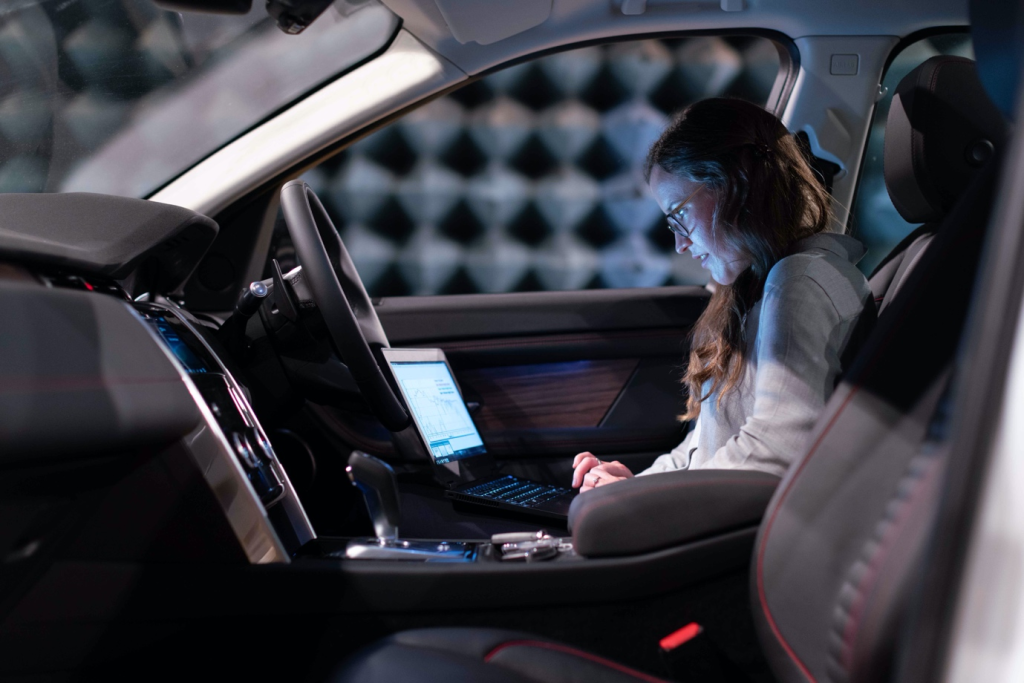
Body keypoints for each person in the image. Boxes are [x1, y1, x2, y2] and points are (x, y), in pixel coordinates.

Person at [572, 98, 872, 493]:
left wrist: (645, 504)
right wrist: (630, 489)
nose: (679, 244)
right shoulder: (751, 289)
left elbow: (776, 450)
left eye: (679, 216)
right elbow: (700, 450)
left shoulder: (799, 281)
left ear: (736, 187)